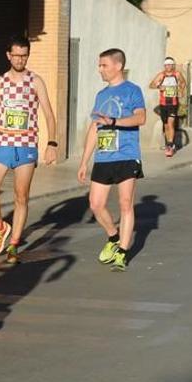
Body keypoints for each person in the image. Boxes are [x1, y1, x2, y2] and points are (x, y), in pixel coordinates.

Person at [0, 36, 58, 264]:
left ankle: (14, 244)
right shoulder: (1, 82)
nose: (20, 59)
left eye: (24, 55)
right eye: (16, 55)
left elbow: (49, 114)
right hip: (2, 143)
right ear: (8, 55)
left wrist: (52, 143)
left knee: (21, 196)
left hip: (26, 146)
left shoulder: (36, 81)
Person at [77, 48, 146, 272]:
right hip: (104, 157)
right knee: (96, 204)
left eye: (103, 65)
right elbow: (94, 128)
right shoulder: (101, 95)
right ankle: (113, 236)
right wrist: (84, 160)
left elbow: (141, 117)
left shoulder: (132, 90)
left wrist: (115, 122)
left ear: (118, 66)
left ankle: (123, 252)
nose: (100, 70)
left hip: (126, 154)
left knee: (125, 203)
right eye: (99, 65)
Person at [148, 57, 186, 157]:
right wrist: (159, 87)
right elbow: (151, 85)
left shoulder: (177, 74)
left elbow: (183, 83)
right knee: (165, 125)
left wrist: (181, 91)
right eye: (166, 65)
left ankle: (170, 145)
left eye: (170, 64)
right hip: (163, 104)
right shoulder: (161, 75)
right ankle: (168, 144)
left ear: (173, 65)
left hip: (173, 103)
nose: (168, 66)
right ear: (164, 66)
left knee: (171, 123)